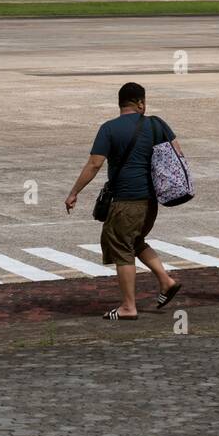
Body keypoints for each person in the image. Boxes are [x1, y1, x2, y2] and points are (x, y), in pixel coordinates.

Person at [65, 82, 183, 320]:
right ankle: (166, 281)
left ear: (120, 104)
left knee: (121, 248)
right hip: (151, 201)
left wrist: (74, 192)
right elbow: (177, 155)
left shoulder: (109, 129)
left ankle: (128, 307)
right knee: (136, 240)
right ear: (140, 103)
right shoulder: (156, 124)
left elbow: (95, 164)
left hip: (126, 200)